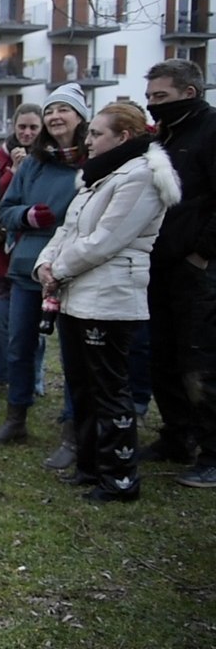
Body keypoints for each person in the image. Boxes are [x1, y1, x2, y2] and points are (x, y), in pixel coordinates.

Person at [35, 102, 180, 502]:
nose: (89, 140)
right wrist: (45, 264)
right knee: (80, 384)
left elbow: (105, 240)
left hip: (110, 297)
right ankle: (90, 465)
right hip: (75, 293)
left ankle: (119, 477)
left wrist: (58, 269)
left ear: (124, 137)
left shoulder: (141, 178)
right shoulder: (98, 176)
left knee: (109, 386)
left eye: (97, 133)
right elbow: (69, 227)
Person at [0, 84, 87, 446]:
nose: (55, 117)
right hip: (27, 266)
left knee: (75, 353)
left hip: (75, 269)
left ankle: (72, 431)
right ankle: (16, 418)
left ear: (80, 116)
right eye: (51, 110)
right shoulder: (34, 164)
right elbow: (5, 209)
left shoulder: (93, 161)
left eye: (64, 109)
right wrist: (27, 215)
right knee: (19, 344)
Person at [141, 59, 216, 488]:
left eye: (161, 97)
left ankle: (213, 451)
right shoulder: (165, 136)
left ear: (189, 94)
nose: (153, 106)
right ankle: (177, 435)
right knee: (163, 355)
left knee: (200, 360)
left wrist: (202, 254)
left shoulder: (210, 131)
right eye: (150, 97)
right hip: (160, 266)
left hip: (198, 270)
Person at [0, 103, 46, 396]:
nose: (27, 133)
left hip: (33, 254)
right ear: (14, 127)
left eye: (33, 127)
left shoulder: (49, 160)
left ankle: (35, 376)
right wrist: (13, 172)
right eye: (22, 127)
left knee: (33, 323)